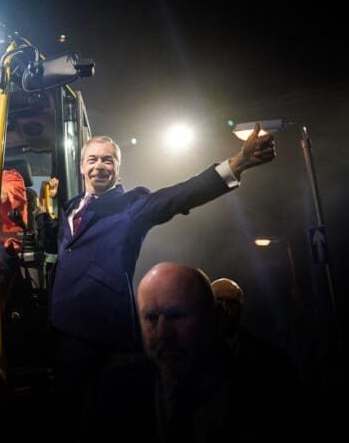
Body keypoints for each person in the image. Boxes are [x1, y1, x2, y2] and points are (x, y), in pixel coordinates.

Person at [37, 124, 275, 440]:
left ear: (118, 167)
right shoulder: (71, 206)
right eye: (93, 159)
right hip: (60, 331)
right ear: (81, 166)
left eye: (108, 160)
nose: (100, 166)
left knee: (95, 422)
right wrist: (43, 209)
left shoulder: (131, 207)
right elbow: (54, 244)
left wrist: (236, 164)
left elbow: (178, 196)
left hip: (99, 335)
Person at [84, 262, 309, 442]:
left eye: (177, 316)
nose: (163, 334)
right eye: (151, 318)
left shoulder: (270, 383)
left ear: (213, 315)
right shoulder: (111, 392)